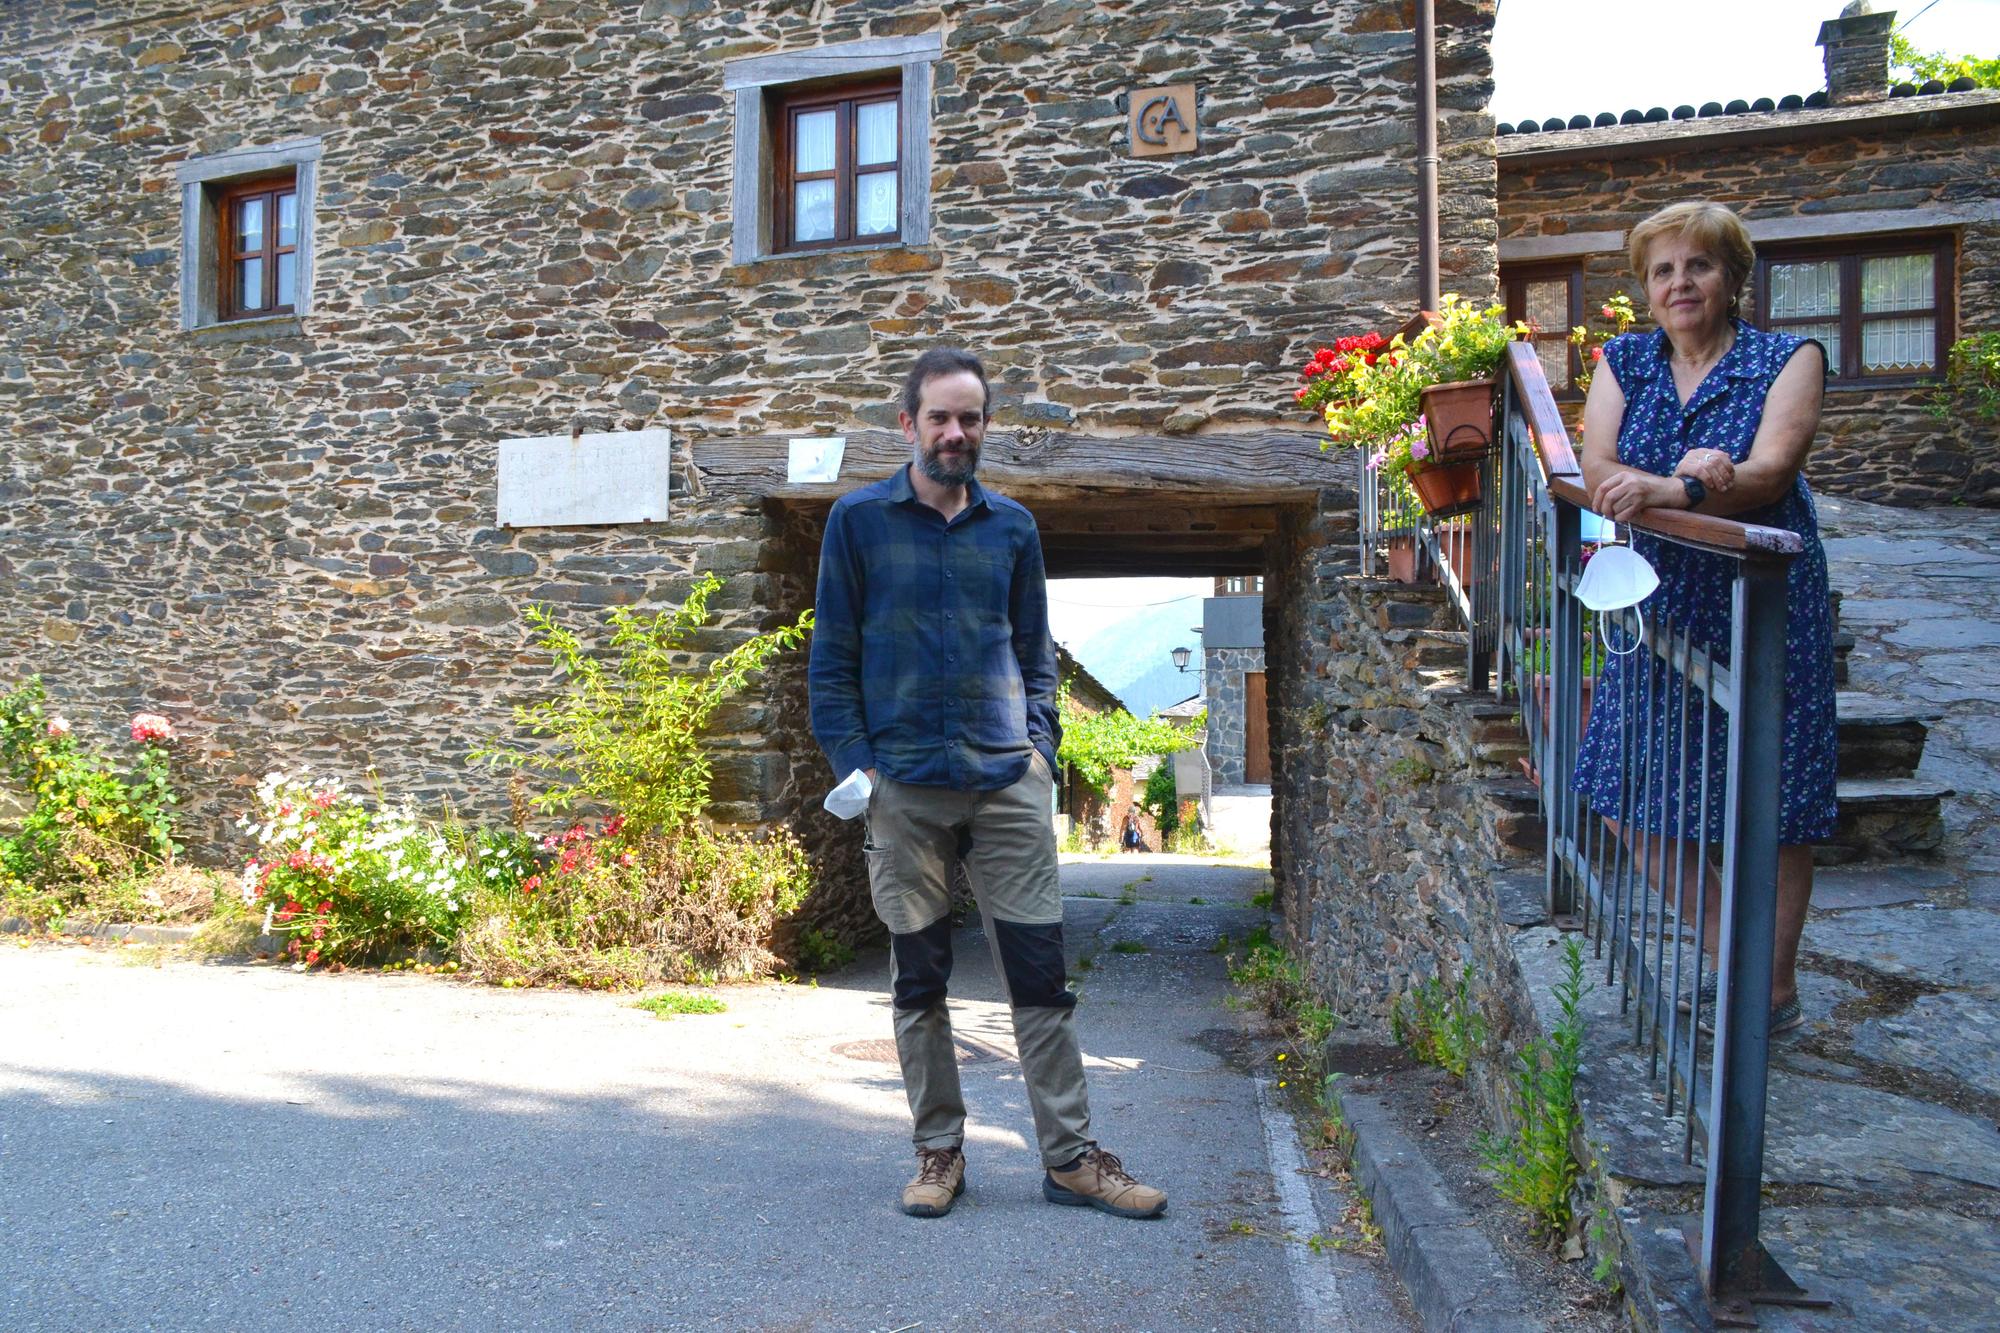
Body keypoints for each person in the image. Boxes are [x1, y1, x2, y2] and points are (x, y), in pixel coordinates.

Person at [808, 346, 1167, 1221]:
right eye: (939, 416)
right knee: (921, 982)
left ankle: (1073, 1159)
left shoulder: (1014, 528)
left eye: (969, 417)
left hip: (1006, 781)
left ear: (984, 426)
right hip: (906, 789)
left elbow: (1035, 651)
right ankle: (939, 1153)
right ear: (909, 425)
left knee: (1041, 980)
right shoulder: (857, 522)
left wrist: (1040, 750)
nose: (955, 431)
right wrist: (861, 768)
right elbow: (831, 663)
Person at [1573, 200, 1839, 1037]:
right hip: (1655, 603)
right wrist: (1663, 484)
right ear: (1646, 289)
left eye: (1699, 266)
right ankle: (1742, 961)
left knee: (1777, 803)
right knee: (1622, 791)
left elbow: (1769, 472)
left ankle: (1771, 989)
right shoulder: (1626, 359)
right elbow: (1594, 463)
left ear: (1732, 280)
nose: (1680, 283)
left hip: (1763, 604)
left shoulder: (1787, 357)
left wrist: (1682, 486)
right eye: (1662, 271)